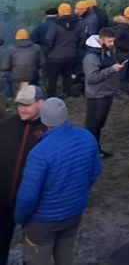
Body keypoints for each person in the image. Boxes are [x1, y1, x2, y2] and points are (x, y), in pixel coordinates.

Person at [16, 98, 101, 265]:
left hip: (42, 222)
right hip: (74, 213)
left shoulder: (39, 153)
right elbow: (95, 172)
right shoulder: (87, 137)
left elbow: (28, 196)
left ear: (44, 118)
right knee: (65, 257)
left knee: (37, 259)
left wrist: (20, 217)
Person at [0, 85, 46, 261]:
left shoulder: (49, 129)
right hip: (3, 201)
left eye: (27, 105)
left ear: (41, 103)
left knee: (35, 248)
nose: (21, 109)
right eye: (19, 104)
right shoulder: (7, 125)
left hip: (35, 204)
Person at [82, 28, 122, 157]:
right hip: (96, 95)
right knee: (93, 125)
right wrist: (111, 69)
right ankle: (90, 151)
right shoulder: (91, 57)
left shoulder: (106, 51)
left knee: (99, 124)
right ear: (101, 39)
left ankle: (96, 150)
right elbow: (92, 78)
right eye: (109, 41)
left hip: (106, 93)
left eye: (113, 41)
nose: (112, 44)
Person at [42, 3, 79, 97]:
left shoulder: (55, 25)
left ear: (60, 12)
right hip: (70, 54)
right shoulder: (77, 22)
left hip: (55, 56)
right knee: (67, 76)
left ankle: (51, 94)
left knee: (52, 78)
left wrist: (46, 53)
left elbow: (49, 40)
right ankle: (67, 91)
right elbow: (80, 38)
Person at [2, 28, 44, 94]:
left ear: (17, 38)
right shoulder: (37, 47)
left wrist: (12, 68)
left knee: (6, 78)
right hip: (32, 75)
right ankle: (34, 94)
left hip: (16, 76)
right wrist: (35, 66)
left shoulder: (11, 49)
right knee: (35, 78)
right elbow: (43, 63)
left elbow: (4, 67)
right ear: (28, 37)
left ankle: (9, 96)